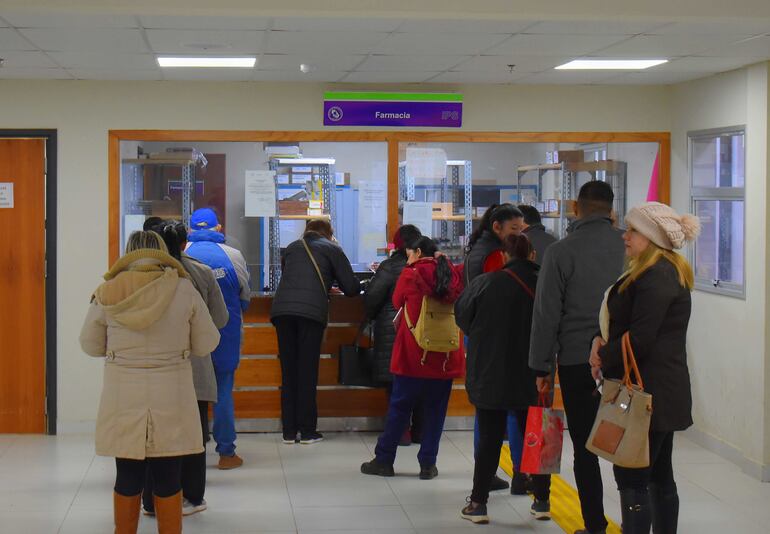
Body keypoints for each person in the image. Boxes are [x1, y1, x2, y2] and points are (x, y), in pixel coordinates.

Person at [79, 231, 220, 534]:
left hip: (123, 394)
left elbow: (89, 345)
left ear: (128, 253)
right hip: (173, 392)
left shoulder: (108, 290)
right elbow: (207, 342)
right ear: (161, 253)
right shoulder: (183, 289)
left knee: (127, 474)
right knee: (169, 476)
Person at [589, 203, 700, 533]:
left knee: (633, 477)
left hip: (648, 395)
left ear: (651, 237)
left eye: (633, 230)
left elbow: (640, 338)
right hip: (656, 390)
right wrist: (600, 339)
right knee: (658, 474)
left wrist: (602, 356)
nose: (626, 236)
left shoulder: (657, 277)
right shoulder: (651, 271)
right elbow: (624, 322)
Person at [529, 181, 625, 534]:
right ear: (611, 211)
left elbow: (547, 315)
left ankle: (594, 525)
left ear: (575, 207)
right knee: (624, 443)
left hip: (574, 362)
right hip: (623, 362)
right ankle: (634, 517)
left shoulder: (560, 251)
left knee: (586, 448)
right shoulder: (630, 248)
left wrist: (541, 366)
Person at [456, 234, 552, 523]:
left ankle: (478, 504)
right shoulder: (546, 284)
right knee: (539, 434)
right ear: (532, 255)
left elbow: (462, 316)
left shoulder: (486, 283)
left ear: (504, 256)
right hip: (535, 373)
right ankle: (543, 501)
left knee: (490, 438)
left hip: (491, 372)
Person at [141, 220, 229, 517]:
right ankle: (193, 497)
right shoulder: (201, 272)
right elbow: (220, 317)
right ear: (183, 244)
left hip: (154, 364)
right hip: (194, 363)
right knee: (194, 433)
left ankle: (152, 500)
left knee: (153, 434)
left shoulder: (144, 273)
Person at [360, 236, 464, 479]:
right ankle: (428, 464)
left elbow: (397, 302)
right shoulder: (451, 273)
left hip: (414, 354)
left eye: (409, 254)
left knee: (400, 408)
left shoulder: (411, 273)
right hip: (445, 354)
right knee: (436, 411)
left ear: (417, 252)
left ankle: (384, 459)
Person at [271, 219, 360, 444]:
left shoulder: (292, 247)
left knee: (289, 372)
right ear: (329, 233)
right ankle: (308, 431)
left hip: (282, 312)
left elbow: (293, 277)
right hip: (310, 313)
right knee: (307, 371)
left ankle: (289, 432)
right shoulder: (332, 249)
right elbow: (351, 288)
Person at [464, 203, 526, 493]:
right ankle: (518, 473)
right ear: (497, 226)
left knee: (486, 410)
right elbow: (500, 298)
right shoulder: (493, 255)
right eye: (514, 229)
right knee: (509, 410)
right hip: (498, 340)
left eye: (522, 229)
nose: (519, 235)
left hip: (481, 337)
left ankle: (486, 474)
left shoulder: (477, 247)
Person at [186, 207, 251, 470]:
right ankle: (226, 454)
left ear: (189, 229)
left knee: (189, 395)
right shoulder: (233, 255)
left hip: (188, 335)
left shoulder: (183, 253)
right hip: (225, 333)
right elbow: (245, 298)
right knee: (223, 391)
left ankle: (190, 453)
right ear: (219, 229)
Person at [364, 224, 423, 446]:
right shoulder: (429, 266)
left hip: (394, 333)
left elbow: (372, 299)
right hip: (423, 334)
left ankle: (401, 432)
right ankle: (421, 431)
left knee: (396, 386)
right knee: (421, 383)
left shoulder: (389, 267)